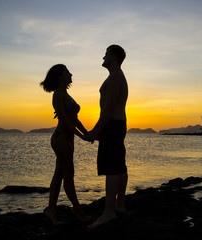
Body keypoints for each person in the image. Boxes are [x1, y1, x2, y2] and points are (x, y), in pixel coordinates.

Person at [40, 64, 90, 225]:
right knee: (69, 175)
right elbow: (65, 120)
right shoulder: (57, 95)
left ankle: (51, 211)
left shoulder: (66, 93)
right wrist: (81, 136)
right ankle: (77, 210)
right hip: (60, 138)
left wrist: (86, 132)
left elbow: (74, 119)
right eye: (67, 72)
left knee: (59, 174)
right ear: (60, 76)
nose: (70, 74)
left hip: (68, 138)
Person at [86, 45, 128, 229]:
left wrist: (96, 131)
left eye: (106, 53)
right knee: (119, 166)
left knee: (111, 168)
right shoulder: (116, 76)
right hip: (116, 125)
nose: (103, 56)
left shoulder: (115, 76)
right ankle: (120, 205)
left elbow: (108, 108)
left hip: (112, 125)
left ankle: (109, 212)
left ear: (113, 55)